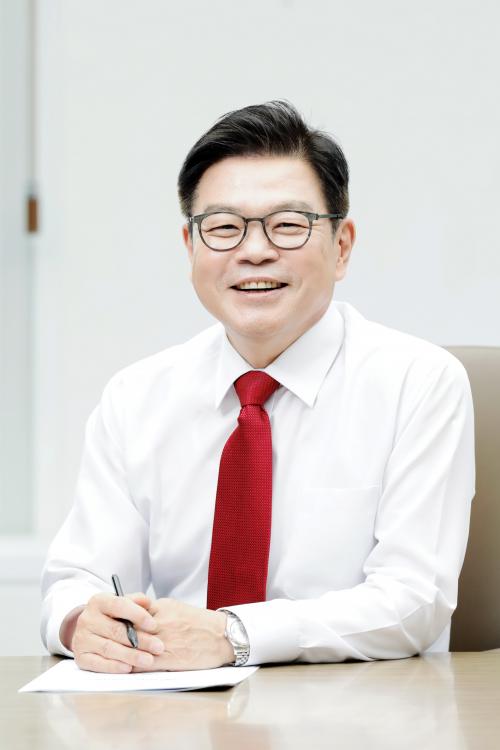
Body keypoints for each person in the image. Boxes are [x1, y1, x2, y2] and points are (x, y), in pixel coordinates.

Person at [40, 100, 475, 673]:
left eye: (288, 225)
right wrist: (82, 622)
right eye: (223, 227)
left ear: (342, 247)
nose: (254, 251)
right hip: (173, 706)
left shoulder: (418, 382)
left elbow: (414, 600)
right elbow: (76, 579)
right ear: (191, 247)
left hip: (362, 704)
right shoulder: (136, 396)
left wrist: (233, 636)